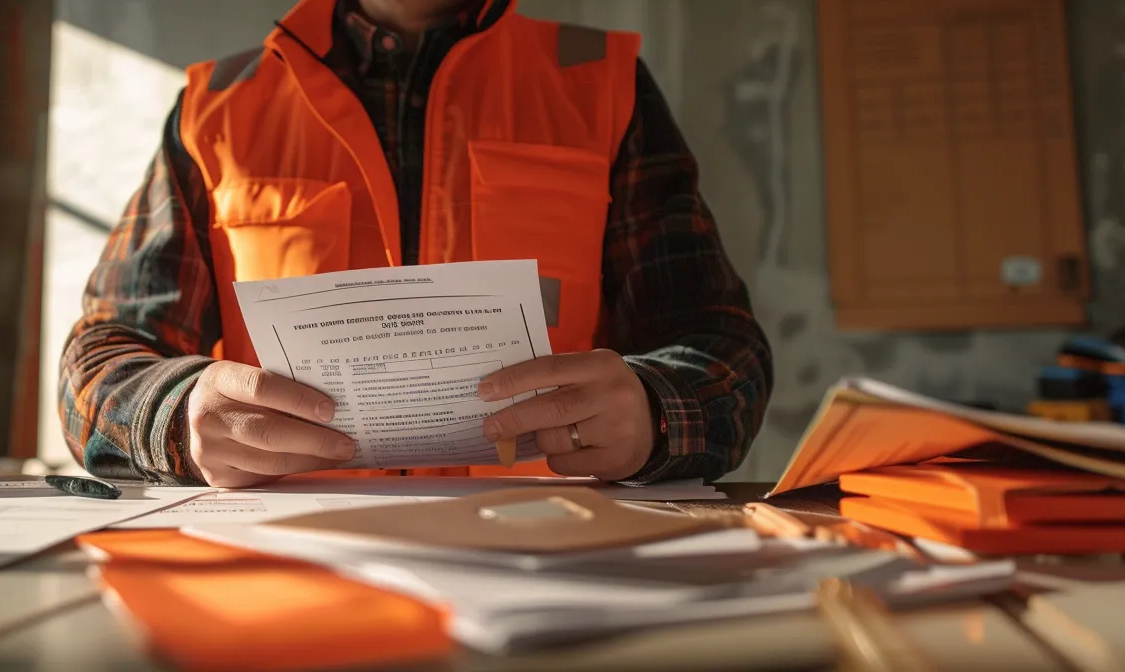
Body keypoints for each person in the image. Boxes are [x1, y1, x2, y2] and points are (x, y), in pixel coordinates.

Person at [59, 0, 772, 488]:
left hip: (553, 561)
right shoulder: (217, 108)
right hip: (286, 570)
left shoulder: (599, 83)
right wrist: (178, 415)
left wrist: (652, 408)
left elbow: (724, 349)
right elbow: (97, 362)